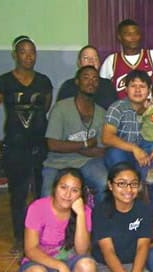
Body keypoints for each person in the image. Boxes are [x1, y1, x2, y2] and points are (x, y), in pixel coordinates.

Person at [0, 35, 53, 253]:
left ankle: (40, 236)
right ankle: (20, 238)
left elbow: (45, 108)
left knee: (40, 192)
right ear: (14, 55)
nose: (28, 56)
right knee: (17, 193)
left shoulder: (44, 81)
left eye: (32, 52)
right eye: (23, 52)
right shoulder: (4, 81)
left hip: (39, 145)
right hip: (15, 146)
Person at [102, 70, 153, 212]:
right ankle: (126, 202)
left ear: (149, 90)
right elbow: (107, 137)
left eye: (142, 86)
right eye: (133, 86)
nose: (138, 90)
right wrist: (134, 149)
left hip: (149, 152)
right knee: (114, 153)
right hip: (125, 155)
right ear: (126, 89)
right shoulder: (118, 107)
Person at [41, 66, 107, 203]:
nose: (91, 82)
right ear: (77, 82)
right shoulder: (61, 108)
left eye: (95, 79)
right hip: (57, 162)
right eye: (86, 78)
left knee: (104, 183)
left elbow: (101, 150)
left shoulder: (102, 113)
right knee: (47, 196)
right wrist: (85, 144)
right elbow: (52, 145)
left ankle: (99, 222)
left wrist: (74, 148)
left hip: (88, 162)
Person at [100, 19, 153, 99]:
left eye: (136, 33)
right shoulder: (111, 61)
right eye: (128, 34)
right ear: (119, 37)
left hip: (150, 110)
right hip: (122, 110)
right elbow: (102, 90)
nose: (133, 37)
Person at [57, 45, 117, 110]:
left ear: (99, 63)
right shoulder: (68, 86)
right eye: (86, 58)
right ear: (79, 63)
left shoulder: (107, 85)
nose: (91, 61)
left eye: (95, 58)